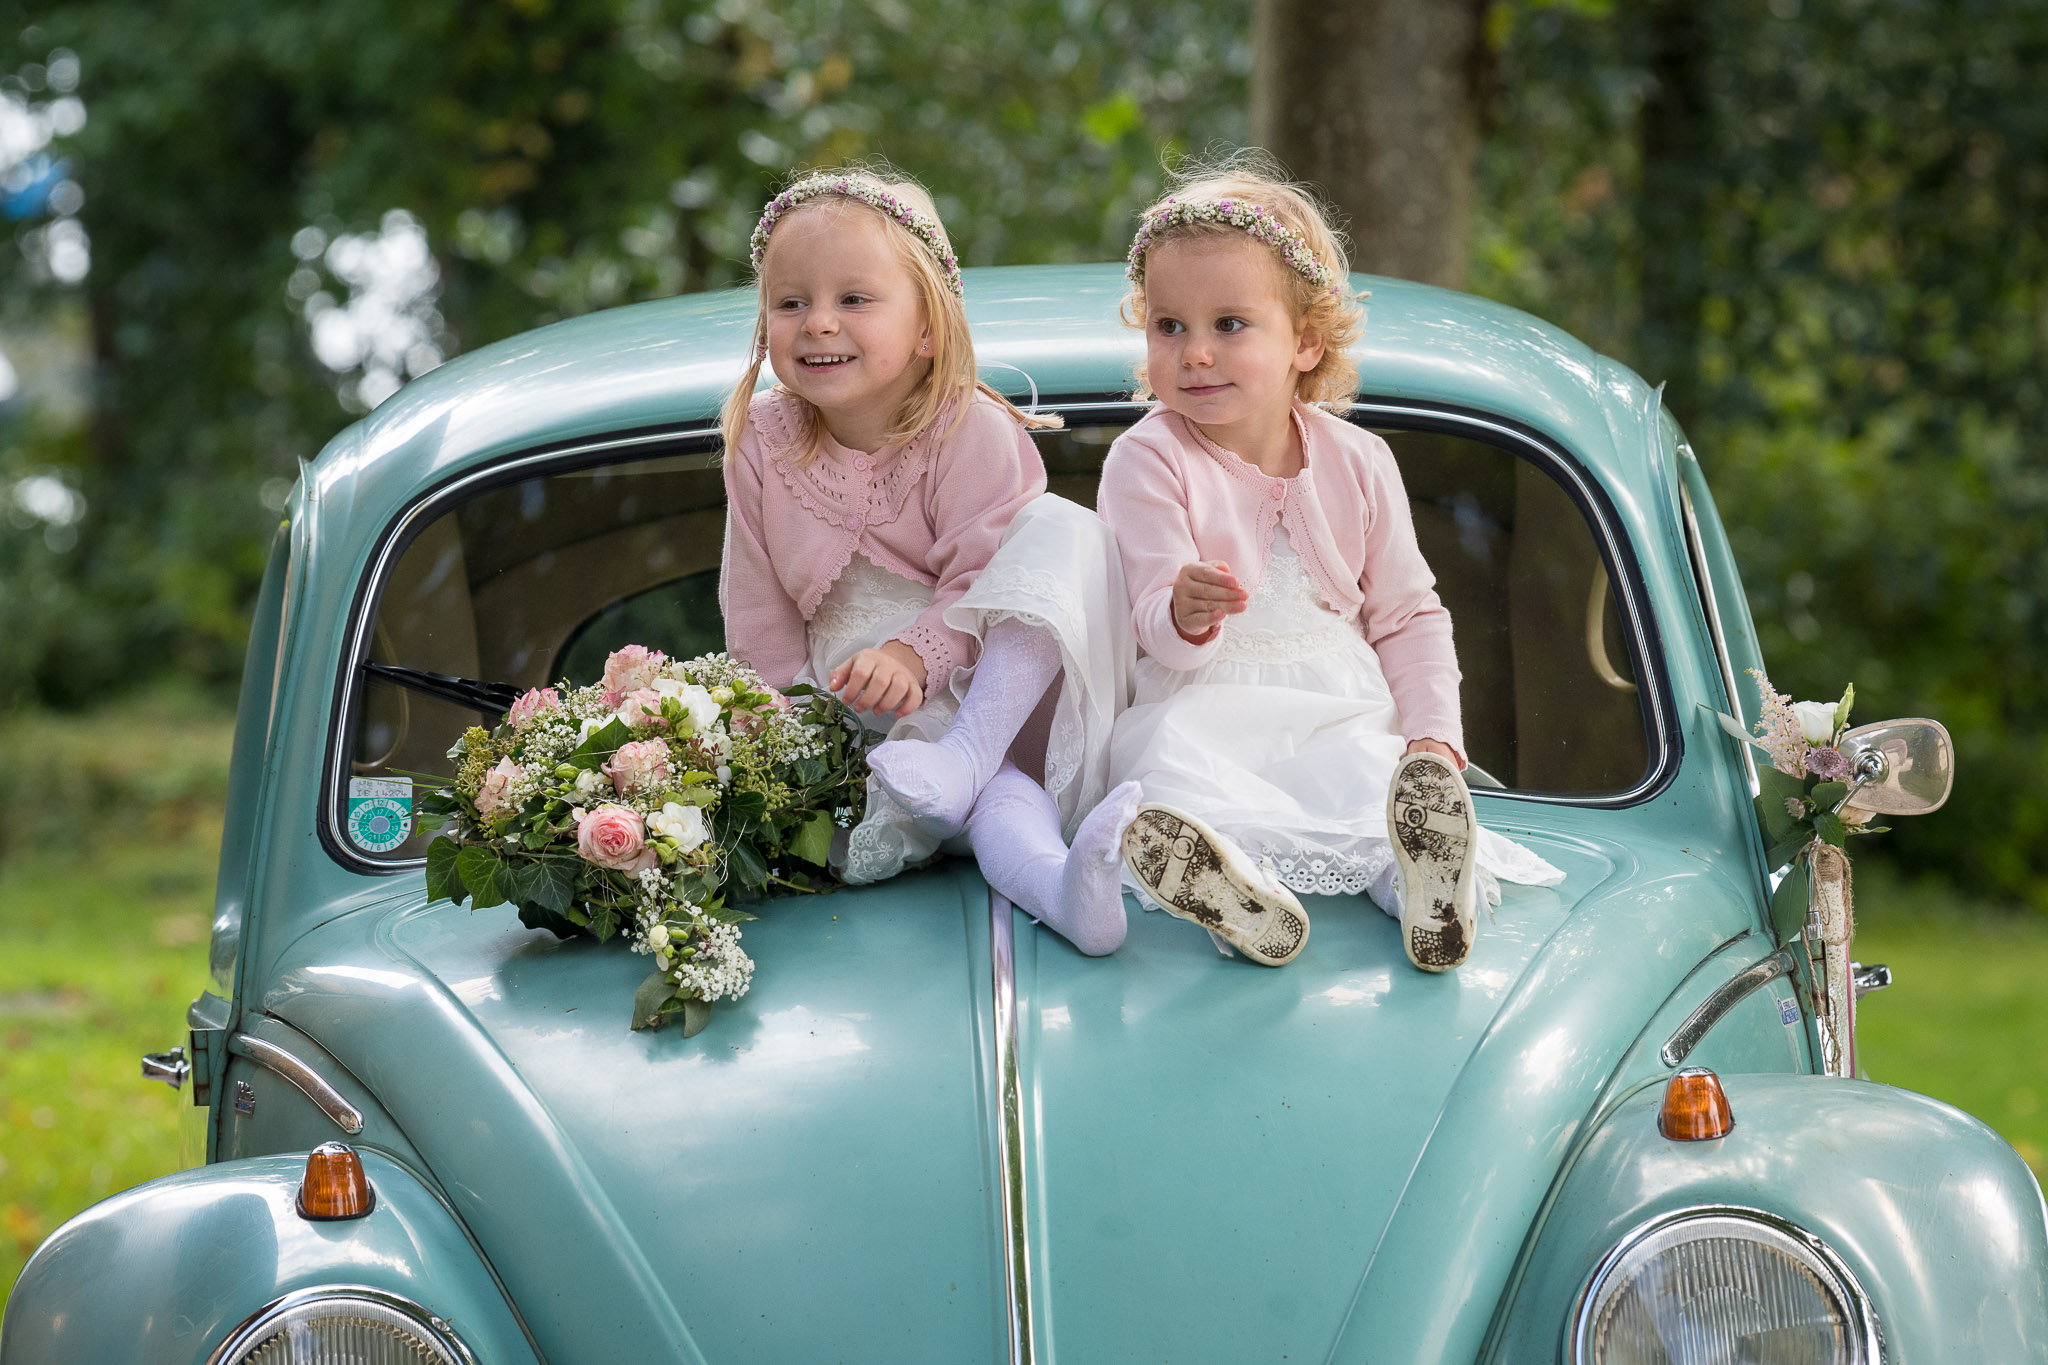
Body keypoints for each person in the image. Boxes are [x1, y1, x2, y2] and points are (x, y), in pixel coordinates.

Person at [1097, 155, 1563, 971]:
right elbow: (1146, 617)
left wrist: (1432, 740)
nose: (1195, 353)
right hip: (1203, 699)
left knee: (1371, 795)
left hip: (1338, 701)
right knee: (1182, 787)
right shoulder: (1147, 457)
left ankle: (1422, 889)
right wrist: (1184, 608)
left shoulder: (1359, 459)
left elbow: (1410, 614)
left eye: (1228, 325)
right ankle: (1239, 898)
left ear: (1305, 341)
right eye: (1169, 327)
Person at [720, 167, 1138, 955]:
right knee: (992, 803)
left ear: (927, 326)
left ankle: (977, 771)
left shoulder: (970, 428)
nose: (817, 323)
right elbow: (759, 612)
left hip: (1001, 689)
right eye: (791, 302)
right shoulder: (760, 443)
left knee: (1061, 527)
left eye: (853, 299)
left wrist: (919, 650)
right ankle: (1058, 884)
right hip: (857, 708)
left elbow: (990, 572)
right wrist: (769, 732)